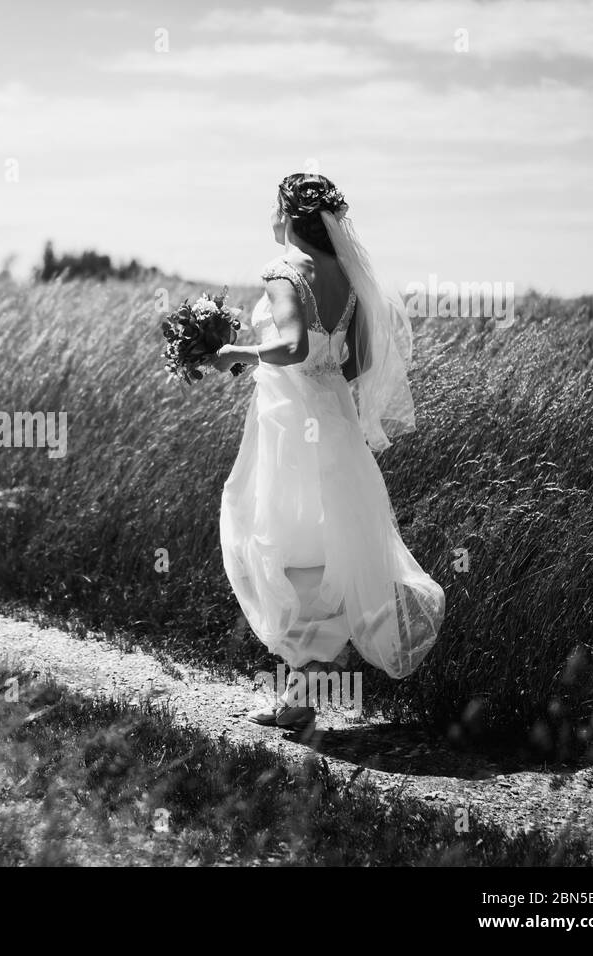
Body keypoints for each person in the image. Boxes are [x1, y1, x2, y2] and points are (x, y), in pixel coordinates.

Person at [211, 173, 445, 729]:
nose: (271, 217)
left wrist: (232, 353)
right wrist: (318, 373)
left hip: (290, 428)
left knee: (273, 540)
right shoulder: (345, 274)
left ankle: (298, 693)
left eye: (274, 207)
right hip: (333, 423)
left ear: (290, 216)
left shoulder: (283, 271)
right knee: (323, 549)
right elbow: (358, 362)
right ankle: (301, 695)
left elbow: (291, 345)